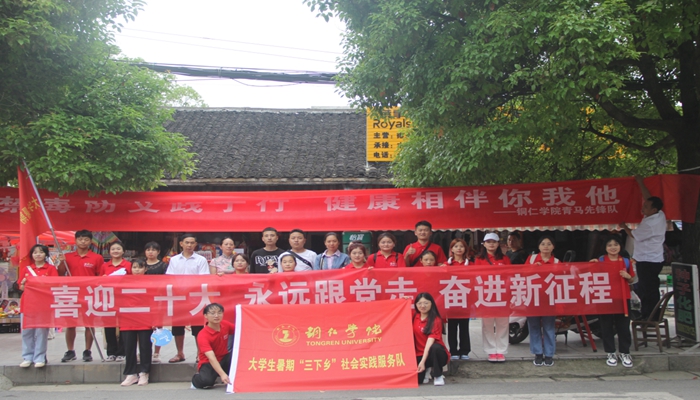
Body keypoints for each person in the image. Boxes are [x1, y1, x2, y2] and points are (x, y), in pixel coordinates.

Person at [619, 176, 666, 319]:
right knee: (648, 287)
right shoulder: (659, 214)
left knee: (647, 289)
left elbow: (633, 235)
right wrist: (640, 183)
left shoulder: (650, 224)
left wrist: (624, 226)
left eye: (646, 207)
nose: (643, 208)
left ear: (654, 209)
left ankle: (650, 315)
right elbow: (648, 198)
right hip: (653, 258)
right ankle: (650, 313)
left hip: (648, 260)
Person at [55, 229, 103, 363]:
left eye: (86, 239)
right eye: (80, 239)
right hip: (72, 293)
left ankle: (87, 350)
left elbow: (100, 277)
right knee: (70, 324)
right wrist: (62, 262)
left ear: (90, 241)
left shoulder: (96, 258)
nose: (83, 242)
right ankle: (70, 350)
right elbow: (60, 274)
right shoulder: (67, 257)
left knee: (89, 324)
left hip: (89, 295)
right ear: (75, 241)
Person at [590, 235, 636, 368]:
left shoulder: (626, 261)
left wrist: (628, 276)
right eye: (609, 245)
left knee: (623, 327)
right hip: (605, 298)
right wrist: (591, 265)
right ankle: (610, 352)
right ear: (605, 248)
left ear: (620, 246)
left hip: (622, 298)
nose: (613, 247)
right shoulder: (600, 261)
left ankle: (625, 352)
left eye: (616, 244)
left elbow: (632, 279)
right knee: (606, 327)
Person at [165, 233, 210, 363]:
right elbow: (170, 278)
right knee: (177, 326)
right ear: (181, 244)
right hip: (178, 297)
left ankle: (199, 354)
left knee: (198, 327)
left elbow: (204, 278)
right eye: (187, 242)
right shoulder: (174, 260)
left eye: (192, 243)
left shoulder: (201, 260)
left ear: (195, 244)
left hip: (195, 297)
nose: (189, 245)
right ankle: (180, 353)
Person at [18, 244, 58, 368]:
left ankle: (40, 357)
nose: (38, 255)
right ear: (32, 255)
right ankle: (27, 357)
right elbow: (21, 287)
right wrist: (23, 284)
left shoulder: (51, 269)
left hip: (43, 305)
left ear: (46, 254)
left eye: (41, 252)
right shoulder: (26, 269)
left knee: (41, 332)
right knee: (27, 332)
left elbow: (55, 285)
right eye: (35, 252)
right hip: (27, 304)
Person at [473, 232, 511, 362]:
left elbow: (510, 276)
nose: (491, 244)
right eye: (488, 242)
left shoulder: (505, 259)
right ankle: (491, 351)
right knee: (487, 324)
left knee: (503, 324)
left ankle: (501, 351)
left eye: (494, 242)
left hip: (502, 296)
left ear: (498, 244)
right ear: (484, 244)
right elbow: (476, 277)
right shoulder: (479, 259)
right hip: (486, 296)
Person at [527, 236, 559, 367]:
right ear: (539, 246)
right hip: (533, 297)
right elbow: (522, 274)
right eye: (543, 244)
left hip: (549, 299)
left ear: (553, 247)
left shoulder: (556, 262)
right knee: (534, 326)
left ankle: (549, 354)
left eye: (549, 244)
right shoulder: (532, 259)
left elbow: (561, 279)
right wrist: (533, 268)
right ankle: (538, 353)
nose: (546, 246)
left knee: (549, 327)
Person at [120, 259, 152, 386]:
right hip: (127, 317)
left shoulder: (151, 282)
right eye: (134, 267)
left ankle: (144, 372)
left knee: (145, 346)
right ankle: (131, 374)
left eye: (140, 267)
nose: (137, 270)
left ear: (145, 269)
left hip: (145, 317)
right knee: (129, 347)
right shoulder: (124, 282)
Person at [101, 241, 132, 362]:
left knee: (124, 325)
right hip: (108, 298)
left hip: (124, 298)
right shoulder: (104, 266)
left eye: (118, 249)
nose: (115, 251)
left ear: (123, 251)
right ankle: (111, 352)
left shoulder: (128, 265)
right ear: (109, 251)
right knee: (109, 326)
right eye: (113, 249)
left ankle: (122, 352)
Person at [191, 303, 234, 389]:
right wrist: (222, 374)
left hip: (224, 358)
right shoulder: (203, 335)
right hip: (208, 362)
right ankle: (196, 378)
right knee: (207, 382)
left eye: (219, 312)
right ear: (205, 316)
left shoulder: (225, 325)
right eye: (212, 313)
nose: (216, 316)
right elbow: (211, 358)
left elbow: (241, 330)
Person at [413, 293, 449, 386]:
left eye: (426, 303)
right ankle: (426, 369)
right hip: (419, 354)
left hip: (435, 354)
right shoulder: (414, 317)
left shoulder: (436, 320)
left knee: (435, 347)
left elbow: (430, 342)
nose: (422, 306)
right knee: (417, 381)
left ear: (431, 304)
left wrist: (422, 362)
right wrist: (402, 300)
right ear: (416, 305)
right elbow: (399, 312)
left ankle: (438, 375)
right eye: (419, 303)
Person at [445, 239, 471, 361]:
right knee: (452, 326)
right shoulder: (446, 265)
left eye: (461, 246)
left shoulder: (471, 264)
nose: (459, 248)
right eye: (456, 246)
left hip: (466, 298)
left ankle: (464, 350)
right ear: (452, 249)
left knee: (464, 326)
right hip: (451, 299)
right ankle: (453, 350)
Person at [143, 241, 167, 363]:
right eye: (148, 250)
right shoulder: (141, 265)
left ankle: (157, 352)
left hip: (159, 298)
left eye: (153, 250)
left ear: (158, 252)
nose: (150, 252)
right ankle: (143, 351)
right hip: (143, 298)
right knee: (143, 326)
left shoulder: (163, 266)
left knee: (158, 326)